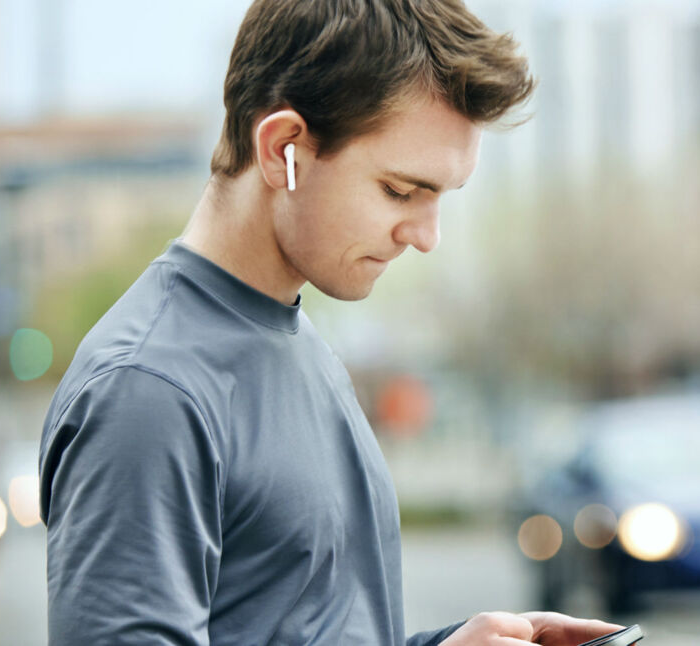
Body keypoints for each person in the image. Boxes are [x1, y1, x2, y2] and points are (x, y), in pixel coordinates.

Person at [37, 1, 622, 644]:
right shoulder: (148, 390)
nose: (425, 236)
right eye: (401, 191)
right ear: (283, 148)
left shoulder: (297, 340)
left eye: (440, 198)